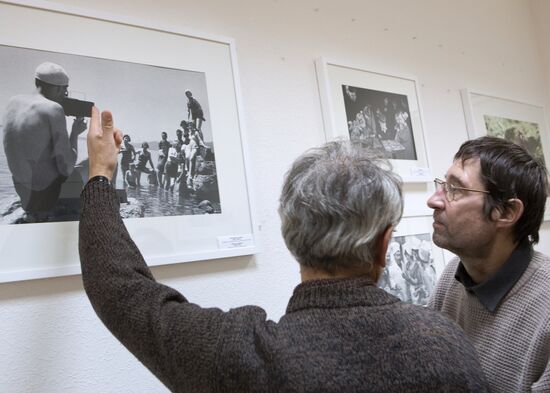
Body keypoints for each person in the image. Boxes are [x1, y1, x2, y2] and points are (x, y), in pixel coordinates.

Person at [79, 108, 489, 393]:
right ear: (385, 245)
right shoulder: (447, 345)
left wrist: (99, 175)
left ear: (291, 236)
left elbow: (120, 291)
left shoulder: (244, 357)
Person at [427, 136, 550, 392]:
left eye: (455, 189)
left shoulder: (545, 307)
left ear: (506, 213)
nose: (434, 200)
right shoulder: (454, 275)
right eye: (442, 184)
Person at [2, 61, 87, 214]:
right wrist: (75, 133)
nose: (64, 95)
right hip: (43, 197)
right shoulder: (54, 108)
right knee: (87, 165)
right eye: (64, 90)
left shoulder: (12, 102)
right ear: (57, 88)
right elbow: (66, 168)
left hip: (22, 189)